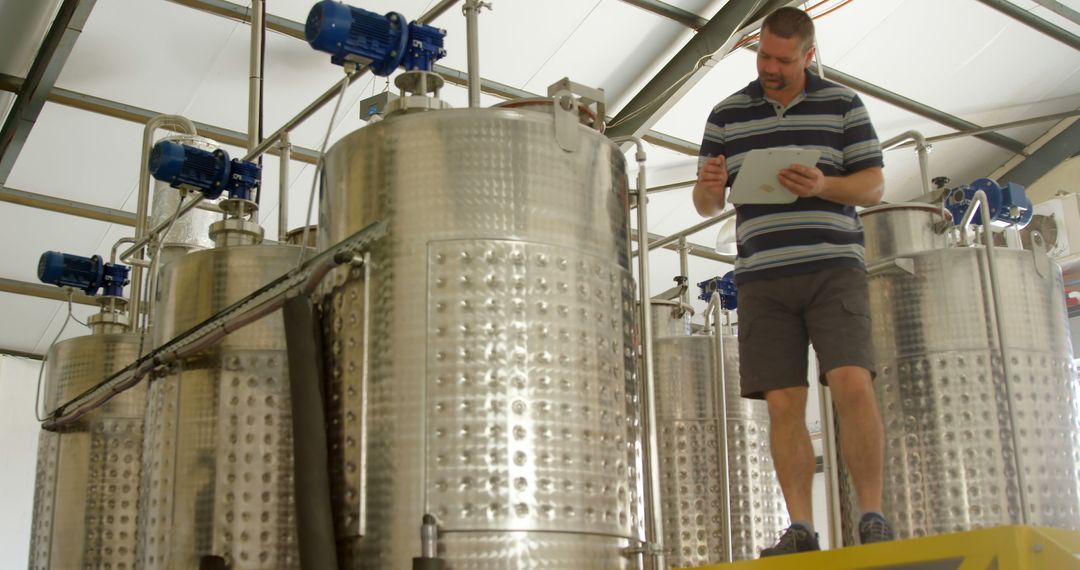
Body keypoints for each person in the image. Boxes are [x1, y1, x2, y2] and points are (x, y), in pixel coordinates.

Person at [692, 6, 893, 557]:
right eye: (763, 56)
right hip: (761, 275)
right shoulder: (726, 114)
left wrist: (823, 184)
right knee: (783, 402)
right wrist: (710, 183)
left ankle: (872, 516)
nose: (770, 68)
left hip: (833, 268)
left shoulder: (844, 105)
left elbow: (873, 187)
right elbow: (708, 202)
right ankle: (801, 527)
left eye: (782, 59)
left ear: (808, 54)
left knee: (852, 382)